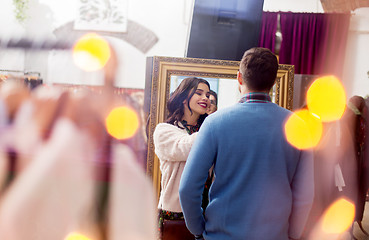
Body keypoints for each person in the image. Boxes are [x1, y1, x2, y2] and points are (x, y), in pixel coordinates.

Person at [179, 47, 314, 240]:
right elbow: (305, 194)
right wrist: (293, 234)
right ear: (274, 82)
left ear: (239, 78)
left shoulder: (215, 122)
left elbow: (188, 188)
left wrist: (198, 229)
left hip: (221, 235)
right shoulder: (299, 127)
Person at [153, 77, 210, 239]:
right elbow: (186, 147)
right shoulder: (164, 130)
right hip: (176, 214)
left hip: (209, 212)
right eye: (199, 93)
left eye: (208, 94)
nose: (205, 98)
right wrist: (215, 127)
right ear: (184, 97)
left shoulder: (208, 129)